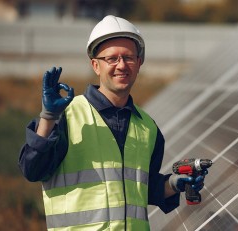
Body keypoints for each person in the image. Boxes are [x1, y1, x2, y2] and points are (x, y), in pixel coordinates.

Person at [18, 15, 207, 231]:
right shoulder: (67, 117)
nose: (121, 65)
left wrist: (173, 185)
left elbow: (139, 191)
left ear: (139, 63)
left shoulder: (148, 127)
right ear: (95, 65)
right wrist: (48, 117)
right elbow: (32, 170)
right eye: (112, 59)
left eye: (128, 57)